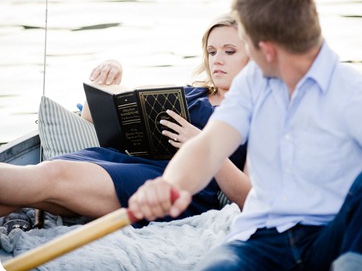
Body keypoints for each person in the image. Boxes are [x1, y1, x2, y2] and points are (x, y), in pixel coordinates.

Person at [127, 0, 362, 271]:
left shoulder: (350, 92)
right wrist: (170, 185)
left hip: (333, 238)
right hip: (265, 239)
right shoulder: (255, 82)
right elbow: (210, 145)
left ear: (266, 49)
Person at [0, 14, 251, 228]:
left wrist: (204, 146)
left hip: (172, 186)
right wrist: (111, 75)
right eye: (211, 51)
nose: (217, 59)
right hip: (125, 160)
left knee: (52, 174)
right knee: (26, 188)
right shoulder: (190, 93)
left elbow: (250, 197)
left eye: (229, 51)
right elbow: (94, 117)